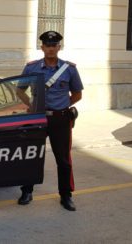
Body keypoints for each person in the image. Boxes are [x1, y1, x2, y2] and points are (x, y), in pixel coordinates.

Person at [17, 31, 83, 211]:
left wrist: (62, 105)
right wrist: (31, 104)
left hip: (61, 120)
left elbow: (77, 94)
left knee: (63, 159)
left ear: (59, 47)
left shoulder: (69, 69)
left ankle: (66, 195)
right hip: (38, 117)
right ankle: (27, 191)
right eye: (47, 45)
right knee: (32, 156)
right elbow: (20, 90)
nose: (51, 48)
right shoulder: (32, 68)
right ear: (42, 47)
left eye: (54, 45)